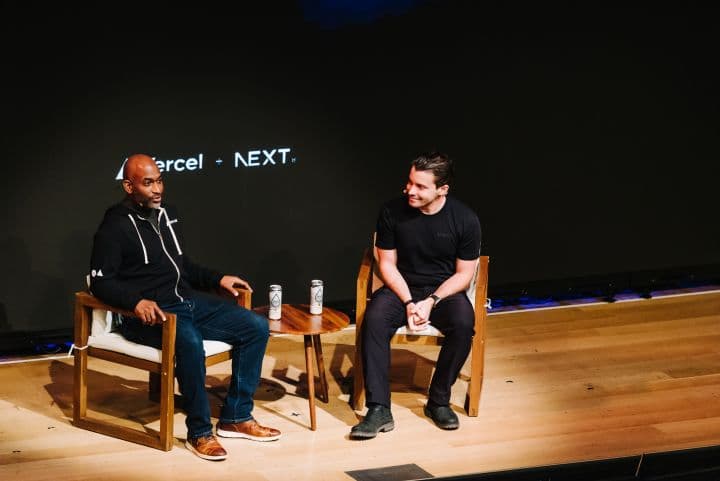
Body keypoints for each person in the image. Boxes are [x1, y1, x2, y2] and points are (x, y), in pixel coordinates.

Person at [89, 153, 280, 461]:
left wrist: (219, 278)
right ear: (128, 186)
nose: (157, 189)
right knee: (189, 342)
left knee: (255, 326)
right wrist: (135, 301)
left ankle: (236, 416)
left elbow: (182, 267)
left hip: (185, 301)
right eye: (148, 182)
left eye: (159, 180)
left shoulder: (167, 214)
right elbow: (100, 282)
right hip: (148, 315)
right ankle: (200, 432)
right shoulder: (115, 225)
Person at [350, 152, 481, 439]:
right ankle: (379, 408)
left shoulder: (465, 220)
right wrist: (409, 301)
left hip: (442, 291)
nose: (410, 190)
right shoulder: (391, 211)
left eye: (421, 186)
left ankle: (438, 400)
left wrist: (431, 301)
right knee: (374, 321)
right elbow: (386, 264)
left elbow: (464, 275)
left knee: (463, 323)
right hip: (401, 287)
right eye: (410, 182)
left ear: (442, 189)